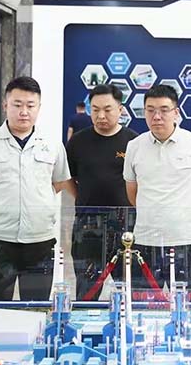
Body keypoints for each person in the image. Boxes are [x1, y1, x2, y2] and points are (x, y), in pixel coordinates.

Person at [0, 76, 73, 300]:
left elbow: (59, 182)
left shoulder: (52, 144)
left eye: (30, 106)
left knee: (36, 305)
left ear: (39, 107)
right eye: (17, 105)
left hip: (40, 239)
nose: (24, 112)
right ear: (5, 105)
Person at [123, 84, 191, 301]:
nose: (157, 116)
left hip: (186, 240)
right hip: (145, 240)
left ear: (176, 112)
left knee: (187, 307)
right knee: (142, 307)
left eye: (164, 110)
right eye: (150, 110)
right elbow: (132, 192)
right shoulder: (134, 146)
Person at [66, 84, 138, 300]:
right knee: (86, 289)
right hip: (88, 225)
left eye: (107, 109)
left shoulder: (133, 142)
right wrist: (83, 198)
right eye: (95, 110)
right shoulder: (78, 142)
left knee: (129, 289)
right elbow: (68, 177)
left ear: (120, 109)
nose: (101, 116)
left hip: (126, 223)